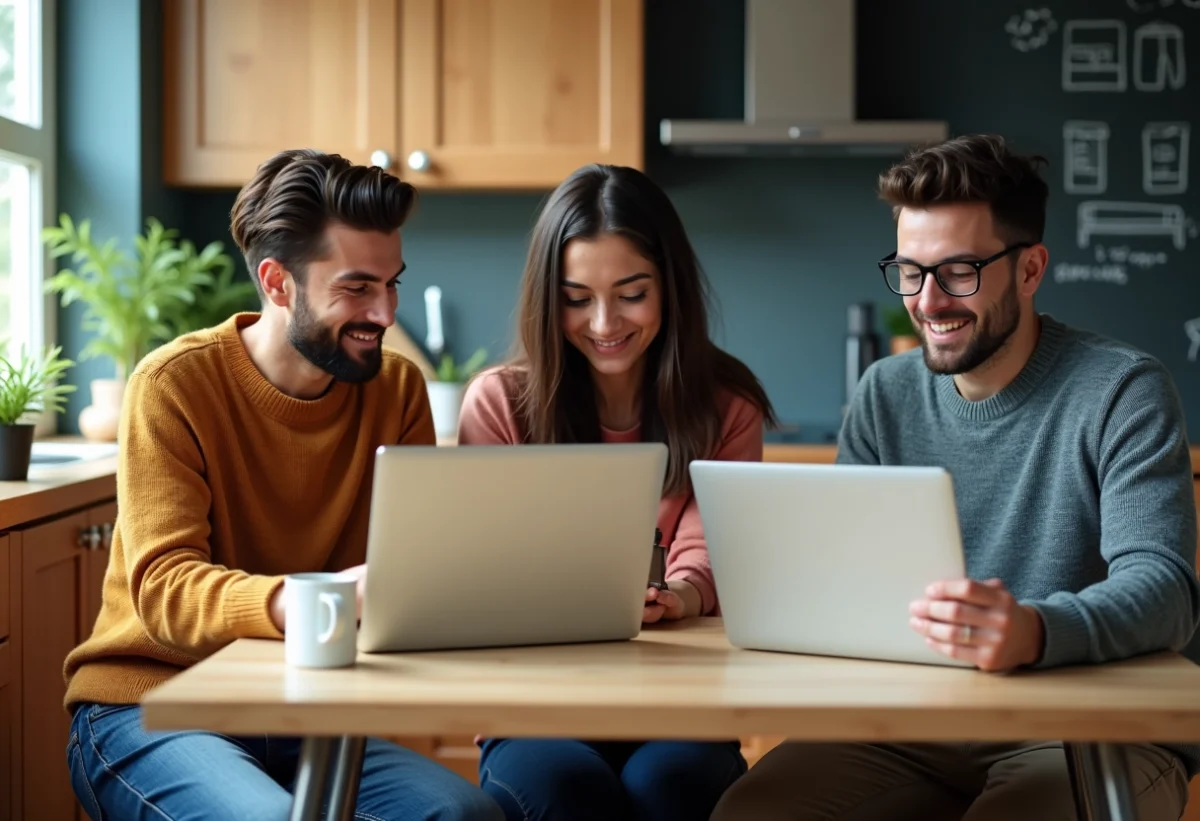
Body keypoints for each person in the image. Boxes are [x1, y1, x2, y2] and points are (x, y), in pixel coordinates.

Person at [710, 133, 1200, 820]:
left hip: (1085, 728)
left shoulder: (1123, 389)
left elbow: (1167, 591)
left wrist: (1034, 629)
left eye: (960, 270)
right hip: (911, 724)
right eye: (911, 272)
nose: (929, 301)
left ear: (1030, 270)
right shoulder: (885, 393)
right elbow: (843, 583)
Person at [61, 148, 503, 821]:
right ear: (277, 282)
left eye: (393, 285)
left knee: (463, 814)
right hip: (148, 704)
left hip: (305, 711)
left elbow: (418, 569)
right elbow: (165, 589)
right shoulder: (172, 385)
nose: (385, 314)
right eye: (357, 288)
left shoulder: (397, 389)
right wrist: (308, 602)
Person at [456, 163, 777, 821]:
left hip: (681, 697)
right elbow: (484, 569)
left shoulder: (726, 405)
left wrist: (677, 596)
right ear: (549, 298)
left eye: (631, 293)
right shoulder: (500, 403)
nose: (604, 322)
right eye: (577, 297)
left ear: (670, 288)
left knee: (674, 781)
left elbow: (709, 551)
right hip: (534, 702)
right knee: (564, 788)